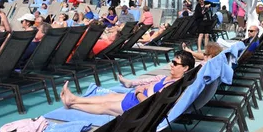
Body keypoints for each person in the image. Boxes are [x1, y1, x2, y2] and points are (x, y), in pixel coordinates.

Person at [60, 50, 195, 115]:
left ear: (185, 68)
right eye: (172, 62)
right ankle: (74, 99)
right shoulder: (172, 79)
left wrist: (138, 92)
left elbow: (152, 103)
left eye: (175, 63)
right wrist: (144, 87)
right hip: (137, 97)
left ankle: (72, 104)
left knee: (106, 106)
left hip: (139, 105)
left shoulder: (173, 86)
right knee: (109, 97)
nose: (171, 65)